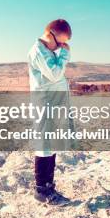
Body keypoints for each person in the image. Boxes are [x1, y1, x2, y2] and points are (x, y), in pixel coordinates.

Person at [27, 19, 73, 205]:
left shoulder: (49, 51)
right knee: (44, 145)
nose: (63, 46)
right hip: (45, 103)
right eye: (61, 42)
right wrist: (64, 55)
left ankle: (48, 187)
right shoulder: (39, 51)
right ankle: (42, 191)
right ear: (51, 35)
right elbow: (54, 74)